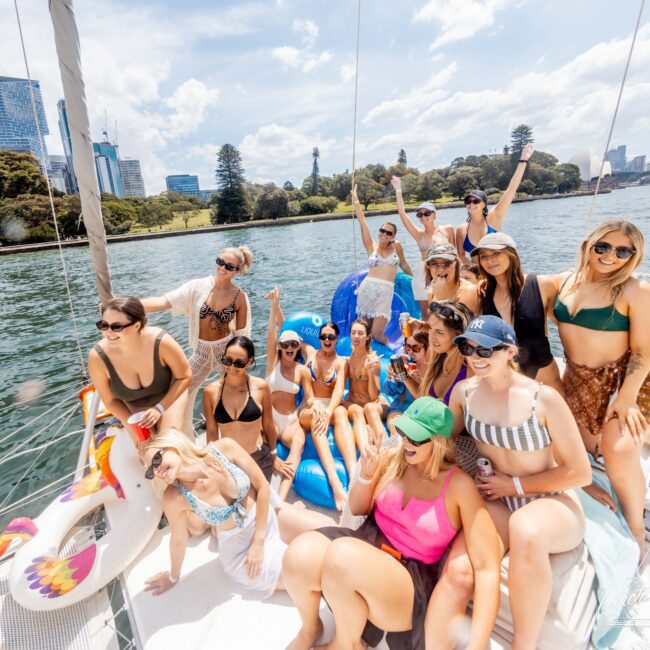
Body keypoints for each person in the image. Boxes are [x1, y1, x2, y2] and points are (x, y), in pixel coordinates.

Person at [282, 398, 501, 650]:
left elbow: (486, 569)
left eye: (416, 437)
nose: (406, 441)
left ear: (439, 441)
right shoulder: (392, 457)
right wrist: (366, 474)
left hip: (408, 578)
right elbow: (357, 509)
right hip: (364, 545)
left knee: (341, 557)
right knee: (297, 557)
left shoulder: (459, 486)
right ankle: (311, 628)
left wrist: (478, 643)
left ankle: (346, 645)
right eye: (404, 431)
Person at [426, 315, 591, 649]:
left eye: (485, 350)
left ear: (510, 352)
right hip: (498, 500)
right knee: (458, 572)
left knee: (526, 529)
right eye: (468, 348)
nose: (475, 357)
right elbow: (442, 442)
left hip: (551, 500)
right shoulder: (464, 394)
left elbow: (579, 472)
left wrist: (513, 486)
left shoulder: (542, 399)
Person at [552, 219, 650, 552]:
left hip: (623, 382)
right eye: (603, 246)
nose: (611, 255)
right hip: (576, 380)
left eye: (624, 250)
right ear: (589, 243)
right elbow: (517, 285)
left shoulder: (635, 290)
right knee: (567, 449)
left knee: (620, 450)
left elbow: (643, 352)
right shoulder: (565, 281)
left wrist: (628, 399)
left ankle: (637, 527)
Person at [142, 429, 334, 598]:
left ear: (173, 444)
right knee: (313, 573)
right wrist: (173, 576)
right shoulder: (174, 497)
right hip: (240, 553)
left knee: (333, 532)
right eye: (151, 470)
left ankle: (289, 516)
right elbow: (178, 539)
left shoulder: (224, 448)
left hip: (266, 516)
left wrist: (259, 541)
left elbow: (262, 486)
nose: (157, 470)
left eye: (157, 460)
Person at [141, 246, 253, 434]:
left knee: (236, 394)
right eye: (220, 261)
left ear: (237, 271)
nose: (222, 267)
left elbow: (242, 335)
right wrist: (125, 305)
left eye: (228, 266)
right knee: (178, 393)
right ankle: (183, 437)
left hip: (224, 353)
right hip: (200, 352)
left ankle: (238, 435)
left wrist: (240, 363)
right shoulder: (196, 287)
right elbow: (163, 302)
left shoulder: (239, 296)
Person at [88, 296, 191, 446]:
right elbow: (110, 401)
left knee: (169, 445)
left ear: (137, 325)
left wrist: (159, 408)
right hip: (134, 406)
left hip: (169, 397)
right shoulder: (97, 357)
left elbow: (184, 377)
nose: (108, 332)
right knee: (147, 452)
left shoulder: (160, 341)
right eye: (104, 325)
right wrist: (130, 424)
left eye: (117, 327)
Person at [473, 232, 563, 393]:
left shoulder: (543, 285)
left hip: (544, 374)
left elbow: (565, 326)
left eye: (496, 253)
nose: (489, 260)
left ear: (511, 254)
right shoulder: (483, 293)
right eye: (483, 256)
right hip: (506, 376)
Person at [203, 336, 291, 484]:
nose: (232, 366)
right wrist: (214, 462)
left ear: (249, 361)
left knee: (259, 504)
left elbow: (268, 425)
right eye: (227, 360)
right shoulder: (210, 392)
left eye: (239, 363)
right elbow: (211, 431)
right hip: (228, 462)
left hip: (258, 460)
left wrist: (274, 456)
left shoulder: (261, 387)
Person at [298, 321, 356, 511]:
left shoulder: (341, 363)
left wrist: (329, 410)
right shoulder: (310, 353)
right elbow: (287, 334)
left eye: (331, 337)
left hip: (330, 406)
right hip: (309, 407)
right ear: (319, 338)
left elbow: (339, 390)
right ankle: (334, 481)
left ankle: (354, 474)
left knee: (341, 411)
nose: (327, 340)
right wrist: (276, 306)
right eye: (323, 336)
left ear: (337, 339)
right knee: (316, 417)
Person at [264, 288, 313, 499]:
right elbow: (274, 333)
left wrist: (310, 407)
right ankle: (262, 488)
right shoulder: (272, 362)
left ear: (298, 346)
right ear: (280, 347)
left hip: (291, 420)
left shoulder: (302, 370)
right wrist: (275, 305)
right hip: (271, 418)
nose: (290, 347)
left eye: (294, 344)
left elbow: (309, 397)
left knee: (299, 444)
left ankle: (281, 499)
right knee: (260, 440)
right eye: (285, 344)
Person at [351, 184, 413, 344]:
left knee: (377, 334)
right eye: (382, 230)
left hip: (385, 293)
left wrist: (416, 280)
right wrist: (356, 200)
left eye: (389, 232)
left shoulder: (396, 246)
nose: (384, 234)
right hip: (367, 290)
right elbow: (362, 222)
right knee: (364, 332)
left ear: (393, 236)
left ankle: (392, 354)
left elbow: (404, 265)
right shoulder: (371, 245)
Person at [455, 143, 534, 263]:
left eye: (476, 200)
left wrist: (523, 161)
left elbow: (511, 190)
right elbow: (461, 255)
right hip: (477, 276)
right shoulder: (461, 229)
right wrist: (474, 271)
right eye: (468, 201)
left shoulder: (494, 217)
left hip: (498, 271)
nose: (471, 203)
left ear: (484, 204)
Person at [390, 175, 454, 317]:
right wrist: (398, 190)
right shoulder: (419, 235)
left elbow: (454, 255)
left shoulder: (448, 230)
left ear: (434, 214)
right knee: (426, 315)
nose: (423, 216)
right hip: (424, 277)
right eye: (420, 214)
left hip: (444, 274)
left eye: (427, 213)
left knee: (447, 313)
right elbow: (402, 214)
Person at [339, 319, 387, 454]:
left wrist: (371, 374)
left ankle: (386, 447)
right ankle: (369, 451)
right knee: (358, 413)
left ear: (368, 337)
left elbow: (373, 396)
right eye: (353, 333)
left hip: (369, 402)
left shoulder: (372, 361)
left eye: (360, 333)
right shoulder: (349, 357)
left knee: (367, 409)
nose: (356, 336)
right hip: (352, 401)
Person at [419, 300, 473, 406]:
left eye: (439, 332)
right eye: (430, 328)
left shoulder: (470, 368)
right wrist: (405, 378)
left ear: (459, 335)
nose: (432, 336)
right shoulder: (437, 358)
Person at [384, 331, 430, 436]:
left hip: (420, 414)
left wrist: (420, 381)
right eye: (408, 347)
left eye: (416, 348)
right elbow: (388, 391)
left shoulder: (432, 370)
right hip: (400, 409)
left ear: (427, 349)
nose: (410, 352)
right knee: (396, 430)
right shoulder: (402, 364)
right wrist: (394, 379)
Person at [425, 242, 479, 313]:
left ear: (456, 264)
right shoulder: (431, 293)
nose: (441, 269)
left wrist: (440, 299)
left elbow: (462, 322)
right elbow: (434, 322)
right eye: (434, 264)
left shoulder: (470, 291)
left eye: (447, 263)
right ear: (428, 267)